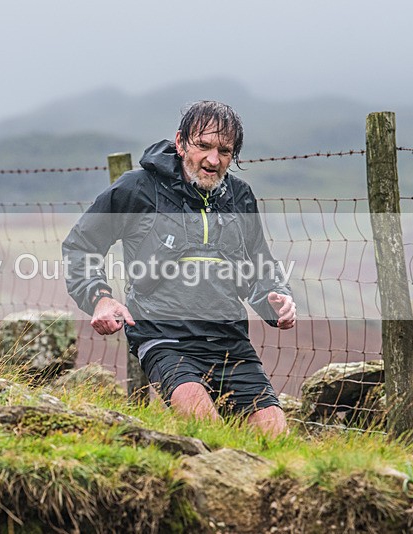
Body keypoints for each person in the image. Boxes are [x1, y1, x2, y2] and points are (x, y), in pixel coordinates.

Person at [62, 101, 296, 436]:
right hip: (165, 337)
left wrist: (276, 302)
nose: (213, 160)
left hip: (229, 340)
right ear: (181, 142)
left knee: (275, 438)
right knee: (207, 430)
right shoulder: (138, 188)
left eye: (225, 151)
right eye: (203, 146)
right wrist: (99, 299)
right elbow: (81, 245)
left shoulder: (240, 197)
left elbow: (259, 267)